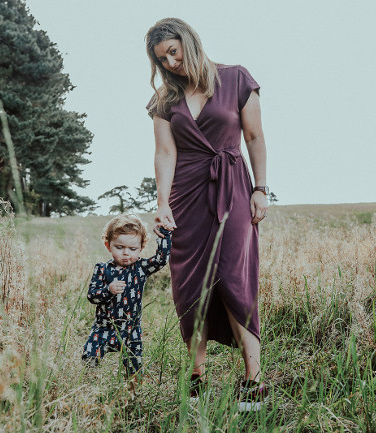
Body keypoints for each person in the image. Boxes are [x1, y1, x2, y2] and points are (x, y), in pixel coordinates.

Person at [145, 18, 269, 411]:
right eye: (162, 59)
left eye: (173, 51)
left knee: (234, 277)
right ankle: (196, 377)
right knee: (190, 286)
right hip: (186, 196)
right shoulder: (165, 100)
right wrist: (162, 202)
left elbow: (254, 136)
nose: (170, 62)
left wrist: (261, 189)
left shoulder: (236, 78)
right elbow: (166, 153)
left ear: (189, 41)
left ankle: (253, 381)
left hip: (232, 187)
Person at [81, 214, 172, 384]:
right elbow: (92, 296)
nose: (125, 253)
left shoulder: (141, 268)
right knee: (89, 358)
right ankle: (90, 389)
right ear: (108, 245)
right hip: (103, 328)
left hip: (131, 330)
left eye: (132, 249)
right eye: (119, 247)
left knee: (134, 368)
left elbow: (161, 260)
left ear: (140, 248)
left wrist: (164, 234)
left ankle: (132, 394)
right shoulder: (102, 269)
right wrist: (108, 290)